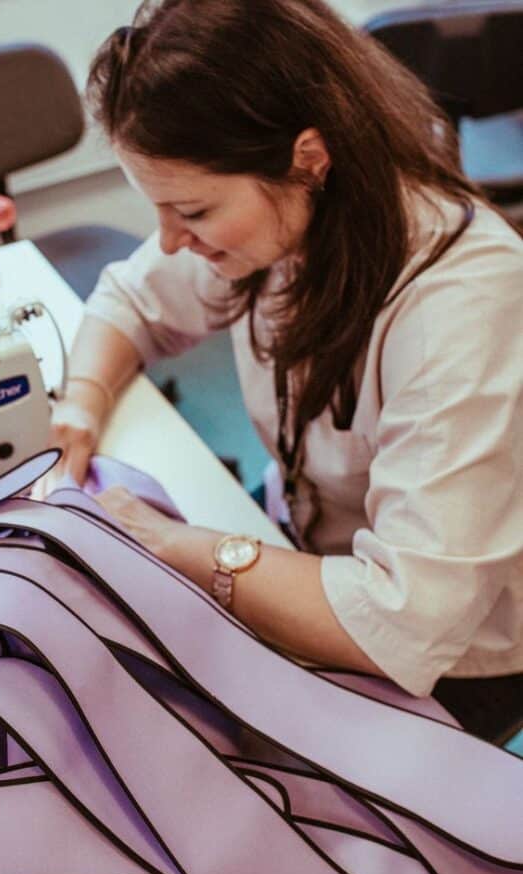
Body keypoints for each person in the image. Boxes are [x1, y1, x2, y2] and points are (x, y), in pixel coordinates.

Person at [40, 0, 523, 738]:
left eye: (192, 212)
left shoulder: (464, 303)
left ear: (308, 158)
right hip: (313, 548)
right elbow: (131, 299)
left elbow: (403, 621)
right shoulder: (287, 225)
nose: (169, 242)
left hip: (458, 657)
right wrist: (80, 400)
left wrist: (187, 551)